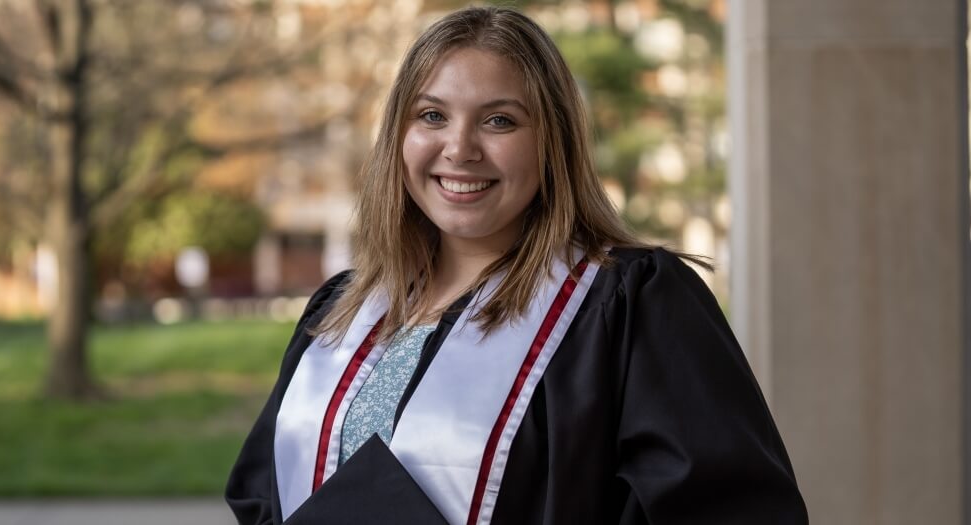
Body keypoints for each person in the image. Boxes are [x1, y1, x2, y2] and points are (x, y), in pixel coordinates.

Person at [225, 6, 807, 524]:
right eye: (432, 116)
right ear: (398, 135)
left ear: (551, 143)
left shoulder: (627, 305)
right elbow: (265, 499)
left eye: (499, 120)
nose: (460, 148)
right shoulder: (341, 312)